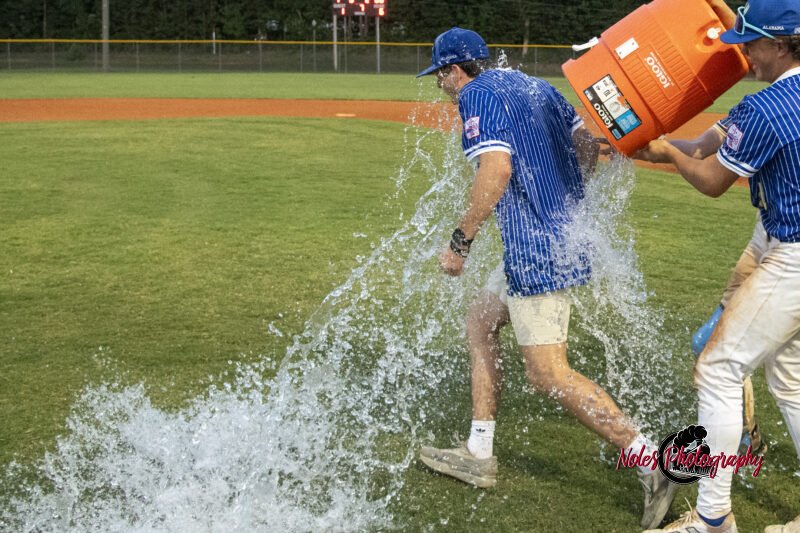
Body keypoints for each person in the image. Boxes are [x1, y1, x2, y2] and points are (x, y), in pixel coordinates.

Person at [415, 27, 677, 530]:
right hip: (556, 238)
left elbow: (495, 169)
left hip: (537, 251)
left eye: (440, 77)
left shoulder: (475, 96)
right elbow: (589, 150)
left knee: (548, 374)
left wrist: (460, 241)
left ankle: (653, 463)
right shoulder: (535, 86)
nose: (441, 87)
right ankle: (479, 450)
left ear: (453, 70)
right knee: (480, 322)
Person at [634, 1, 800, 531]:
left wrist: (669, 153)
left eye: (752, 42)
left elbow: (709, 179)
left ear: (781, 45)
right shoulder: (769, 104)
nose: (744, 52)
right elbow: (707, 145)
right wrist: (658, 150)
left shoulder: (768, 107)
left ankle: (712, 520)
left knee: (718, 368)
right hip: (789, 246)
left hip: (793, 252)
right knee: (791, 380)